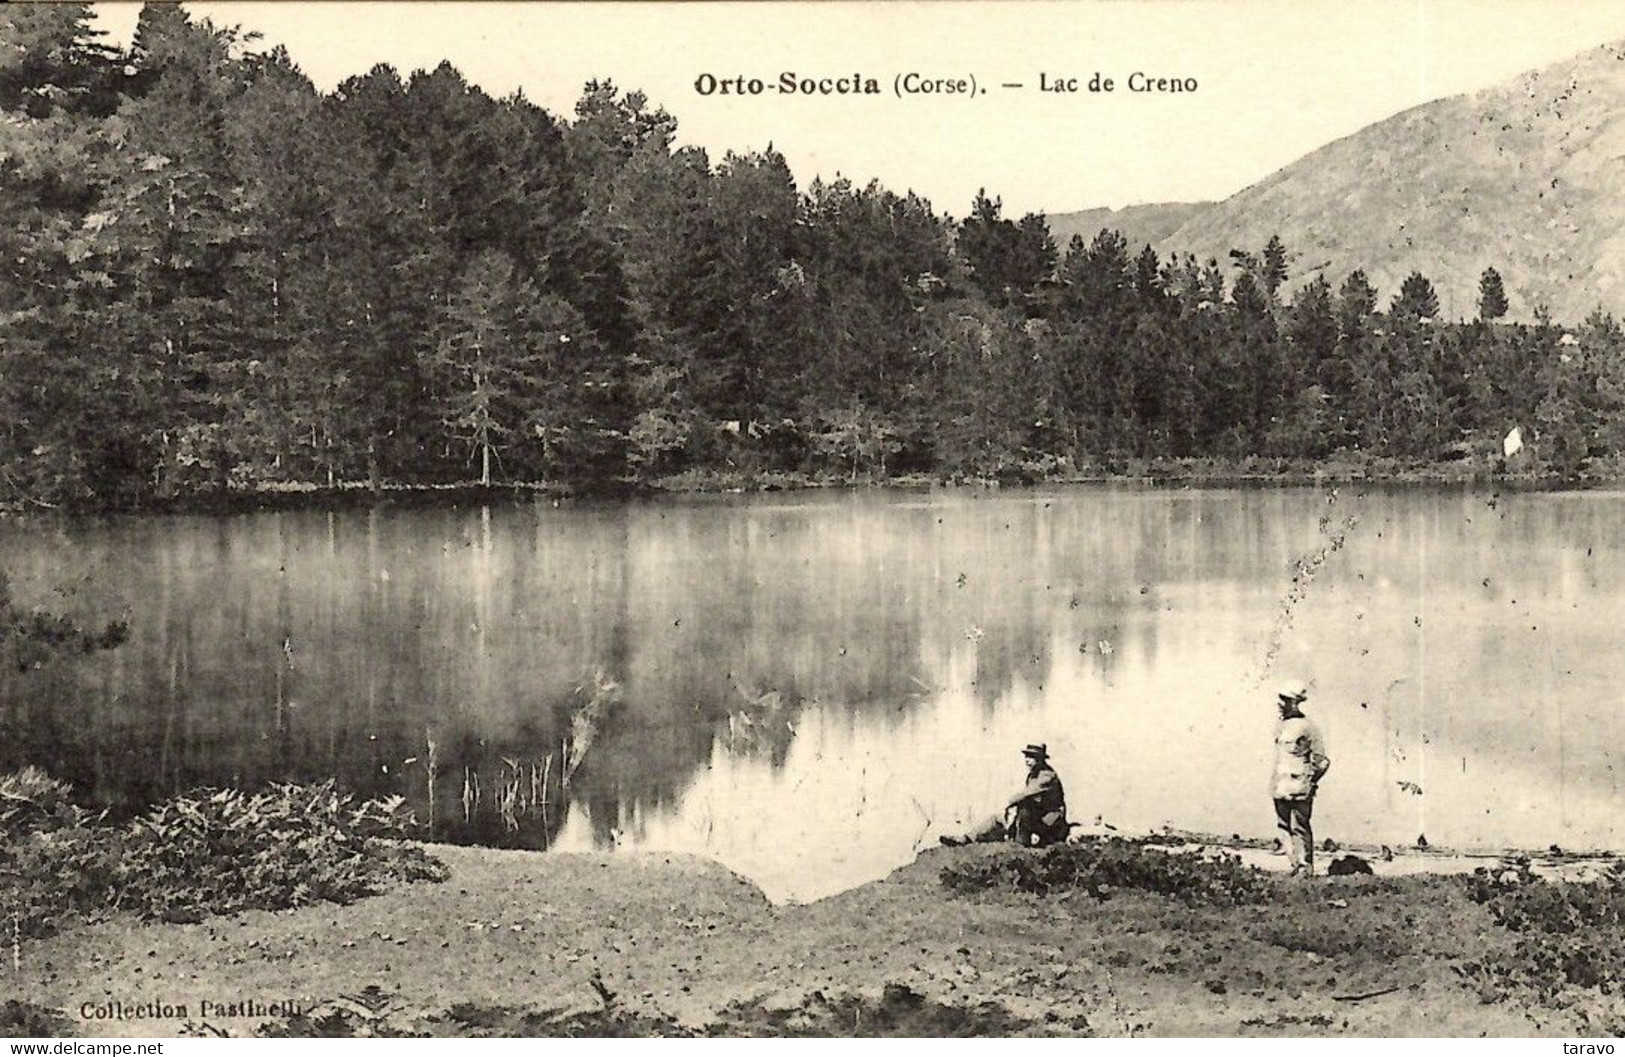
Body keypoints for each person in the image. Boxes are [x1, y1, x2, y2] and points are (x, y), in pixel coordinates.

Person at [941, 743, 1070, 847]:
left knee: (1023, 811)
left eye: (1031, 757)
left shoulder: (1047, 776)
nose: (1027, 760)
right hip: (1037, 816)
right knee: (996, 819)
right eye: (1026, 756)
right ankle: (966, 839)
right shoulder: (1033, 775)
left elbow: (1025, 795)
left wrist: (1009, 804)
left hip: (1051, 822)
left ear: (1041, 759)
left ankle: (1020, 846)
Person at [1272, 679, 1330, 877]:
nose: (1280, 703)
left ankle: (1305, 868)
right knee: (1283, 827)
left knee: (1300, 826)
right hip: (1280, 785)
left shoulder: (1308, 727)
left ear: (1294, 702)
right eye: (1280, 699)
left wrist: (1311, 781)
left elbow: (1322, 761)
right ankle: (1296, 866)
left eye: (1285, 700)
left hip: (1300, 786)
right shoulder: (1280, 726)